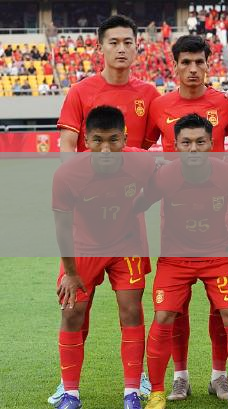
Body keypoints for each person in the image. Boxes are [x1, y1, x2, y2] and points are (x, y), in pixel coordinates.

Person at [144, 35, 228, 402]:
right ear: (174, 65)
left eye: (199, 62)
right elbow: (137, 150)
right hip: (174, 228)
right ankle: (180, 376)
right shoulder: (160, 106)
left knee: (224, 309)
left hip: (219, 226)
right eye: (186, 62)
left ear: (209, 65)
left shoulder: (224, 103)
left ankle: (220, 376)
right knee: (174, 310)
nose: (193, 69)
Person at [52, 106, 157, 409]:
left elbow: (159, 180)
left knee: (131, 311)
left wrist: (141, 203)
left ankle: (132, 392)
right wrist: (71, 273)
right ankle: (70, 393)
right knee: (72, 312)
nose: (106, 149)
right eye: (98, 140)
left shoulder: (141, 161)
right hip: (83, 248)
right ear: (85, 140)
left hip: (126, 245)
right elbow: (62, 229)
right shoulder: (68, 174)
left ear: (125, 138)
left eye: (113, 140)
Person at [57, 15, 159, 153]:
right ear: (100, 48)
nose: (121, 49)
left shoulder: (150, 94)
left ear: (136, 47)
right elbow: (67, 147)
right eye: (114, 43)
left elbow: (146, 146)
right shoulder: (79, 92)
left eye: (128, 43)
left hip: (133, 168)